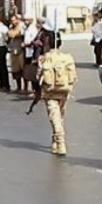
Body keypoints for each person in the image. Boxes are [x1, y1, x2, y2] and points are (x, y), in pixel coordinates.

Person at [36, 23, 76, 156]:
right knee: (60, 116)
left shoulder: (45, 58)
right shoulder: (67, 58)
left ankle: (60, 142)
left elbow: (38, 76)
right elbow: (73, 76)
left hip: (50, 92)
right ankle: (55, 140)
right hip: (64, 91)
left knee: (54, 117)